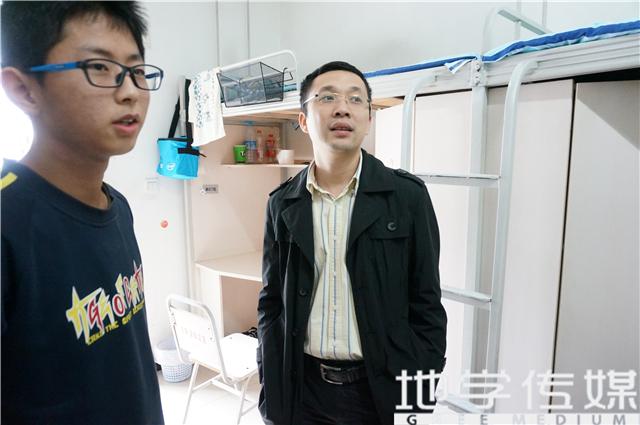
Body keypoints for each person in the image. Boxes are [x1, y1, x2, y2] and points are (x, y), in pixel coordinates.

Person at [257, 60, 447, 425]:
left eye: (356, 99)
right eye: (327, 97)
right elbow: (271, 301)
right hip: (301, 388)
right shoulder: (282, 203)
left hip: (379, 391)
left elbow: (427, 303)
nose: (342, 108)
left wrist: (421, 384)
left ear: (369, 119)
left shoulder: (407, 197)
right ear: (303, 120)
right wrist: (270, 373)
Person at [1, 2, 164, 423]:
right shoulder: (8, 223)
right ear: (23, 90)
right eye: (99, 67)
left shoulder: (117, 206)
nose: (130, 91)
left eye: (137, 71)